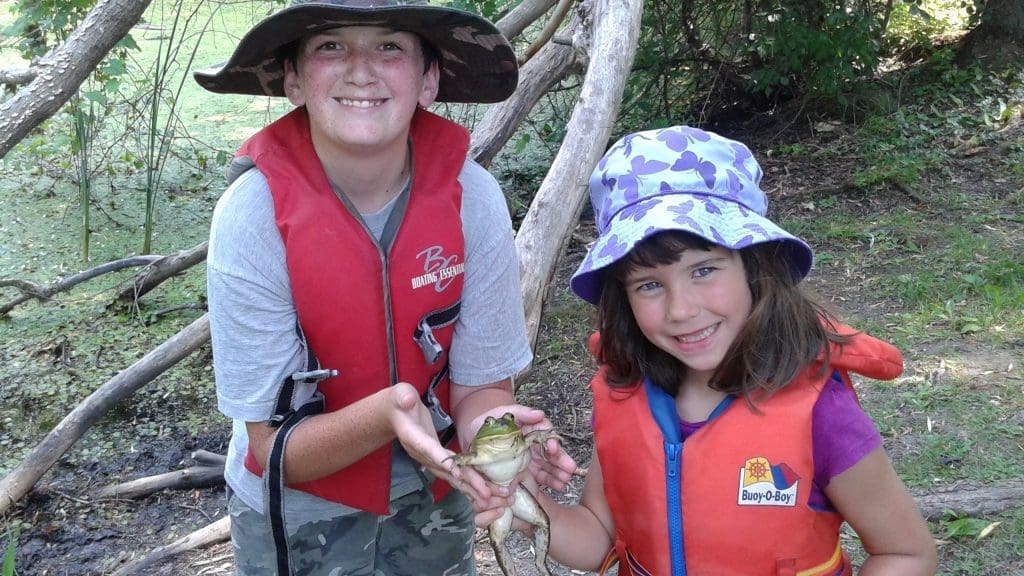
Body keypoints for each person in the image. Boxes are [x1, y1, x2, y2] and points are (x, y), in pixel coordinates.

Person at [193, 1, 576, 574]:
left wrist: (493, 441)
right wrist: (386, 413)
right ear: (293, 78)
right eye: (330, 46)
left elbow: (482, 390)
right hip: (299, 509)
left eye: (390, 46)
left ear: (428, 79)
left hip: (438, 489)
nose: (361, 70)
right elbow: (273, 450)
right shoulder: (252, 215)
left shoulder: (473, 199)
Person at [521, 125, 938, 575]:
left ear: (755, 267)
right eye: (649, 285)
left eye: (703, 270)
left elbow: (905, 553)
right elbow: (596, 537)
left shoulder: (822, 412)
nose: (681, 310)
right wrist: (522, 503)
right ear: (622, 298)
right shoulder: (624, 395)